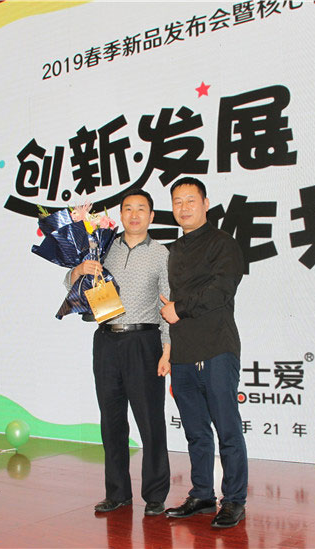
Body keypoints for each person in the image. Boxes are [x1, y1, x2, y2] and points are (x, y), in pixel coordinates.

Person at [66, 189, 171, 516]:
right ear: (120, 214)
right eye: (128, 208)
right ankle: (117, 493)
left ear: (151, 216)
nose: (134, 214)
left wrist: (167, 350)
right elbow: (70, 282)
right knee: (111, 421)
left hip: (144, 341)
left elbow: (168, 304)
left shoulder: (162, 254)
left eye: (141, 209)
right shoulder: (104, 246)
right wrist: (80, 269)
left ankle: (155, 495)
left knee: (150, 421)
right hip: (107, 341)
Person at [160, 177, 248, 529]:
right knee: (196, 431)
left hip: (216, 348)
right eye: (177, 201)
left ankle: (235, 499)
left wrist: (180, 308)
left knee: (227, 428)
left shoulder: (223, 243)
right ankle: (201, 494)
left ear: (206, 204)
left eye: (190, 200)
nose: (183, 207)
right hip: (182, 352)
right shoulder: (171, 252)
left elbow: (222, 289)